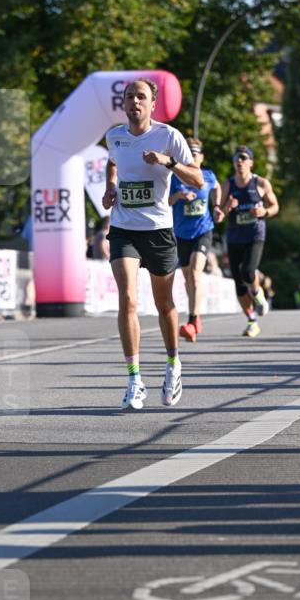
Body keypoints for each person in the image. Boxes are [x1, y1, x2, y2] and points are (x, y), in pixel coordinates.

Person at [102, 78, 202, 410]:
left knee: (164, 305)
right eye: (129, 97)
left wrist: (168, 162)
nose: (134, 102)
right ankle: (134, 379)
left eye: (141, 97)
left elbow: (198, 178)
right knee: (128, 297)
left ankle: (173, 364)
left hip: (158, 230)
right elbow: (112, 162)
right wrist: (111, 187)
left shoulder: (169, 136)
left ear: (152, 104)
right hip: (123, 228)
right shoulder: (115, 136)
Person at [213, 146, 279, 337]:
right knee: (239, 285)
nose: (239, 161)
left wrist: (264, 212)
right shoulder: (228, 185)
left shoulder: (260, 183)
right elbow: (219, 217)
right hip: (234, 237)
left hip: (255, 235)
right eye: (236, 158)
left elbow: (275, 206)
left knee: (248, 271)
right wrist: (227, 207)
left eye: (243, 158)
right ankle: (252, 321)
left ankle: (258, 293)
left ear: (251, 162)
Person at [168, 137, 221, 342]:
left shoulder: (207, 175)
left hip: (203, 230)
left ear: (202, 156)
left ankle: (192, 321)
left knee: (196, 274)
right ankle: (195, 316)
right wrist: (179, 197)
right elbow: (167, 201)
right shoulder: (175, 177)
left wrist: (217, 206)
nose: (193, 156)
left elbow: (216, 188)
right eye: (190, 153)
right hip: (181, 233)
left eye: (196, 153)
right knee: (188, 277)